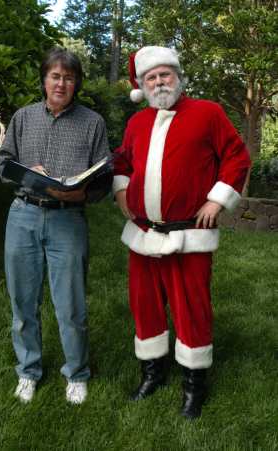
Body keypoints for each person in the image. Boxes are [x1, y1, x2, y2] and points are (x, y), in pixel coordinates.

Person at [113, 46, 251, 419]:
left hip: (189, 235)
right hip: (143, 234)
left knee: (191, 307)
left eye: (165, 75)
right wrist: (122, 188)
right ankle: (152, 372)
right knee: (146, 305)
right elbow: (123, 160)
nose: (159, 82)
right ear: (142, 84)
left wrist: (216, 201)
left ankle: (193, 384)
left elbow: (237, 156)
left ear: (178, 77)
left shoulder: (207, 113)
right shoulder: (137, 123)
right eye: (151, 77)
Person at [0, 47, 111, 404]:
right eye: (55, 76)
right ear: (44, 80)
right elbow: (3, 165)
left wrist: (84, 194)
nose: (61, 83)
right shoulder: (23, 117)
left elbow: (105, 177)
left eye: (69, 77)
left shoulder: (93, 123)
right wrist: (29, 173)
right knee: (22, 301)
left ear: (76, 83)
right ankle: (28, 370)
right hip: (23, 214)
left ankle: (76, 373)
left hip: (68, 218)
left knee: (71, 304)